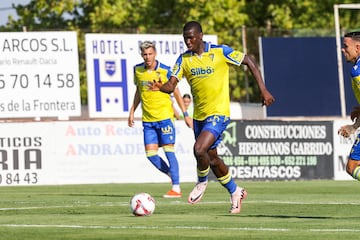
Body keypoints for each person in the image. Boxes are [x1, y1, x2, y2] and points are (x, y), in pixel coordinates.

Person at [149, 21, 275, 213]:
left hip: (219, 113)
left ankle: (201, 182)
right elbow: (171, 84)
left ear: (200, 35)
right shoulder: (184, 60)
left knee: (199, 149)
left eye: (191, 37)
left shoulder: (219, 52)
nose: (188, 41)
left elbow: (248, 60)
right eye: (185, 38)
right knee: (212, 158)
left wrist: (263, 90)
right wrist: (160, 87)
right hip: (199, 116)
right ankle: (235, 191)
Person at [128, 41, 192, 198]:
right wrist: (131, 111)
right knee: (151, 155)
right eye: (145, 54)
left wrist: (185, 115)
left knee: (169, 152)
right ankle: (172, 174)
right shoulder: (138, 70)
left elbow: (176, 92)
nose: (147, 57)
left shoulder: (164, 70)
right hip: (148, 121)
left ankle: (176, 188)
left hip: (164, 119)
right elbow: (139, 91)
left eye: (150, 54)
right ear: (141, 55)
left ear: (155, 53)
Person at [338, 31, 360, 181]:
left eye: (345, 46)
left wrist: (354, 127)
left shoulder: (357, 71)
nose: (342, 49)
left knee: (352, 167)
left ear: (358, 48)